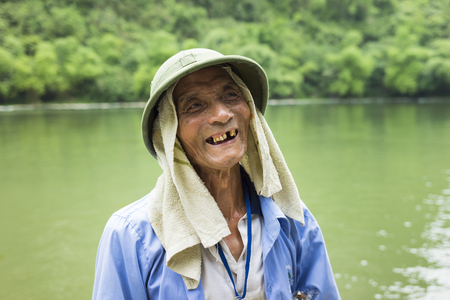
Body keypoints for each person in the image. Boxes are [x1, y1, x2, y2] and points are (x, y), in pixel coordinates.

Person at [93, 48, 341, 300]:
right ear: (169, 134)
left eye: (231, 95)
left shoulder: (292, 220)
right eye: (195, 105)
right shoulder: (131, 236)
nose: (222, 114)